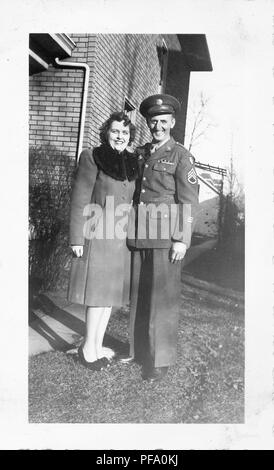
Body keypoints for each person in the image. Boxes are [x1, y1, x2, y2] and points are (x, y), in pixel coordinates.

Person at [125, 94, 199, 382]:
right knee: (140, 296)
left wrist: (182, 239)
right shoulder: (142, 153)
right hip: (139, 235)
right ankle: (139, 351)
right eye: (153, 121)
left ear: (173, 122)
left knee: (162, 300)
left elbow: (189, 200)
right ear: (147, 122)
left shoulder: (181, 156)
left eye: (163, 121)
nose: (157, 126)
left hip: (166, 238)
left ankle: (161, 359)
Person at [68, 111, 138, 371]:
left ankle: (97, 346)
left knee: (108, 297)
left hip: (119, 239)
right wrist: (76, 238)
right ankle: (87, 349)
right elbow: (80, 199)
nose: (120, 136)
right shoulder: (92, 157)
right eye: (116, 131)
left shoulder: (132, 162)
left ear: (130, 137)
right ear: (106, 132)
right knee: (97, 295)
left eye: (125, 132)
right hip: (97, 234)